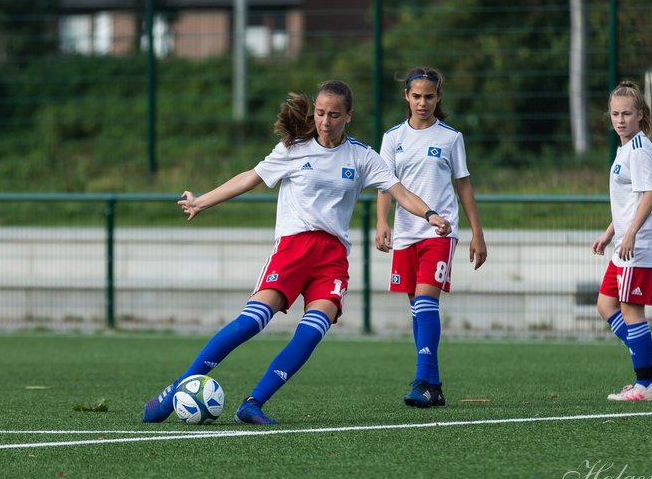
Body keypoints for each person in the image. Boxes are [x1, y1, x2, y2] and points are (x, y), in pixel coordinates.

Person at [142, 79, 450, 425]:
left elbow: (399, 191)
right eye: (320, 113)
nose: (325, 121)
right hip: (293, 249)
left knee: (312, 330)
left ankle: (253, 403)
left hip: (332, 258)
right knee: (251, 322)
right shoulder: (293, 149)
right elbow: (250, 178)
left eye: (334, 114)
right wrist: (202, 201)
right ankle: (178, 387)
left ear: (349, 116)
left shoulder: (362, 156)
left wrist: (429, 214)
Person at [374, 66, 486, 408]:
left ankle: (422, 380)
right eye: (417, 96)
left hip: (441, 232)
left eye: (430, 96)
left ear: (439, 98)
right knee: (416, 308)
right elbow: (385, 183)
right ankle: (433, 384)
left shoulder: (451, 138)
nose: (423, 103)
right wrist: (382, 222)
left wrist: (477, 233)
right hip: (406, 234)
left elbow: (463, 185)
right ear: (406, 97)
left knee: (426, 302)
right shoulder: (393, 138)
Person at [592, 80, 652, 401]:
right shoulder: (626, 148)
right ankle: (648, 361)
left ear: (641, 115)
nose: (620, 120)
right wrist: (610, 232)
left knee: (631, 311)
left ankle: (644, 384)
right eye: (615, 114)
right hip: (625, 240)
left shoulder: (638, 149)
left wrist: (632, 232)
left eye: (627, 114)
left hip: (639, 242)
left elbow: (648, 196)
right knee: (605, 305)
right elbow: (630, 201)